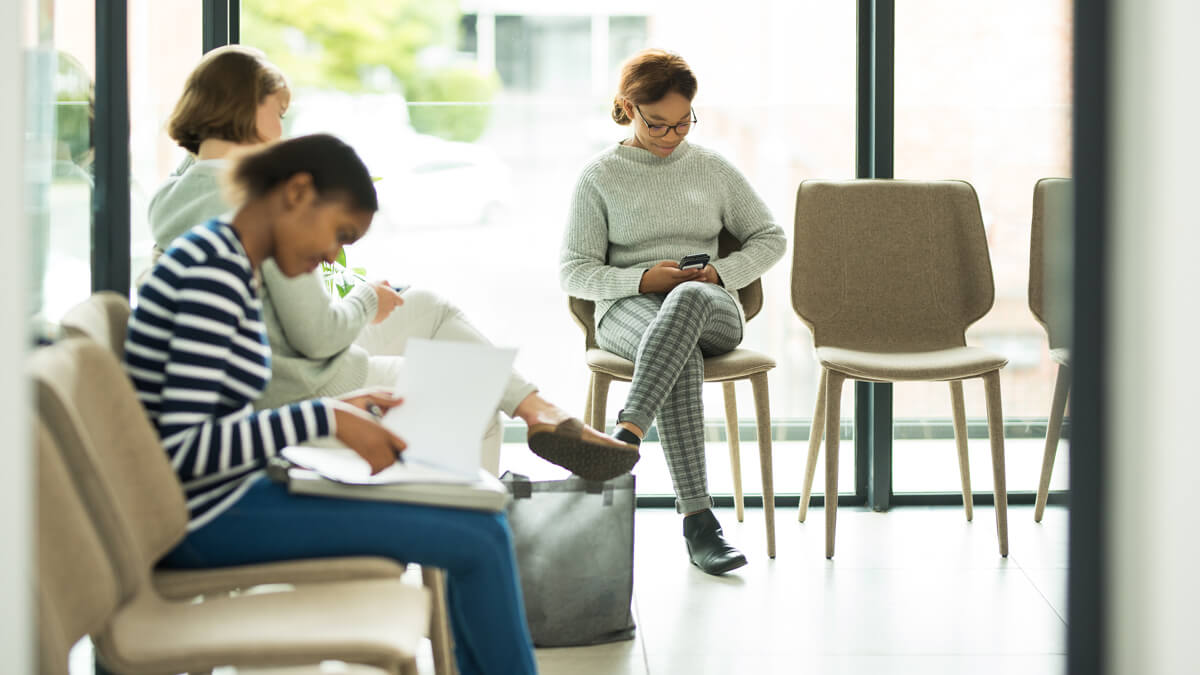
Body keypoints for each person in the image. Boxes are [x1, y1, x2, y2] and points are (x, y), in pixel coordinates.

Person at [125, 133, 537, 675]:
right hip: (205, 516)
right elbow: (181, 450)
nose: (334, 255)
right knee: (480, 535)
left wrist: (345, 407)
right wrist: (326, 417)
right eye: (339, 233)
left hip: (228, 494)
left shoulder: (223, 258)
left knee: (478, 520)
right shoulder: (211, 273)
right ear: (297, 192)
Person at [148, 45, 637, 481]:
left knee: (425, 305)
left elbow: (205, 165)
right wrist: (365, 300)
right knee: (477, 393)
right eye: (278, 112)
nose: (282, 127)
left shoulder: (173, 197)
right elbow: (316, 334)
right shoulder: (258, 207)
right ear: (246, 110)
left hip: (294, 365)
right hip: (309, 381)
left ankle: (540, 410)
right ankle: (471, 530)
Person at [559, 49, 787, 575]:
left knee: (682, 304)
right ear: (627, 108)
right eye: (658, 124)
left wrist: (719, 274)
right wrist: (640, 278)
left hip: (709, 305)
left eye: (683, 123)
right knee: (673, 349)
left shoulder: (712, 167)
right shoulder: (599, 177)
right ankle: (700, 524)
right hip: (628, 310)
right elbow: (574, 271)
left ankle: (628, 433)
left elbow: (770, 237)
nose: (672, 136)